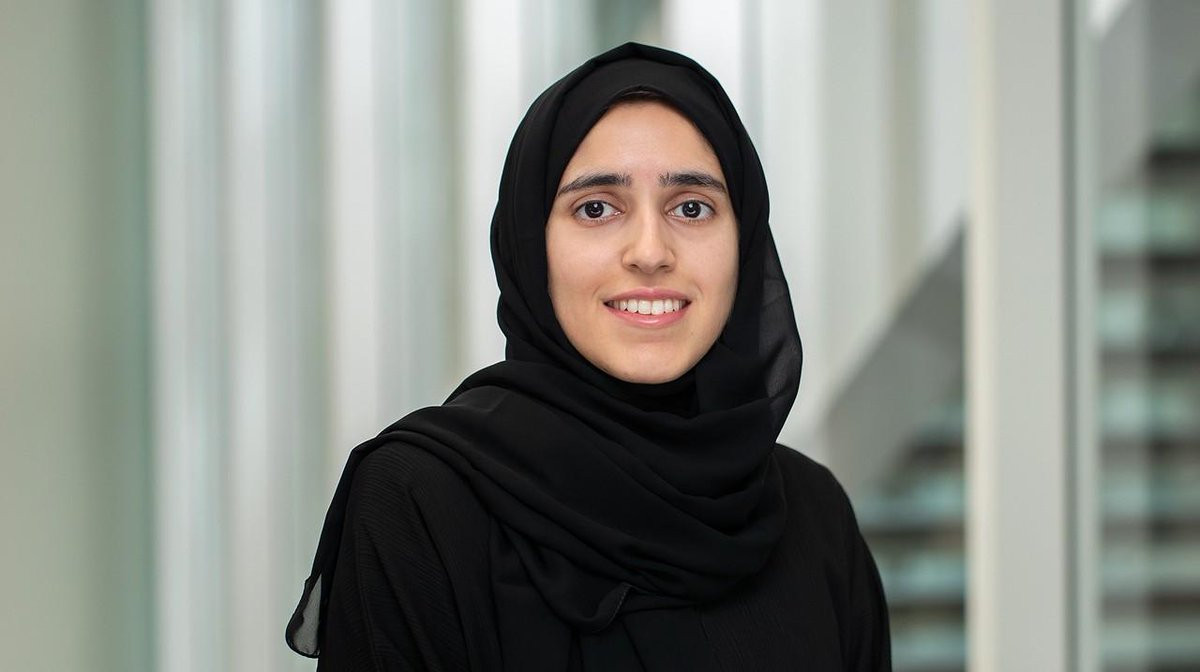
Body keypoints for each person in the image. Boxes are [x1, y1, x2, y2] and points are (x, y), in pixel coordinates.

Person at [286, 42, 891, 671]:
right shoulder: (421, 501)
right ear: (531, 244)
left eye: (692, 207)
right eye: (596, 208)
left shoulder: (813, 516)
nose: (650, 252)